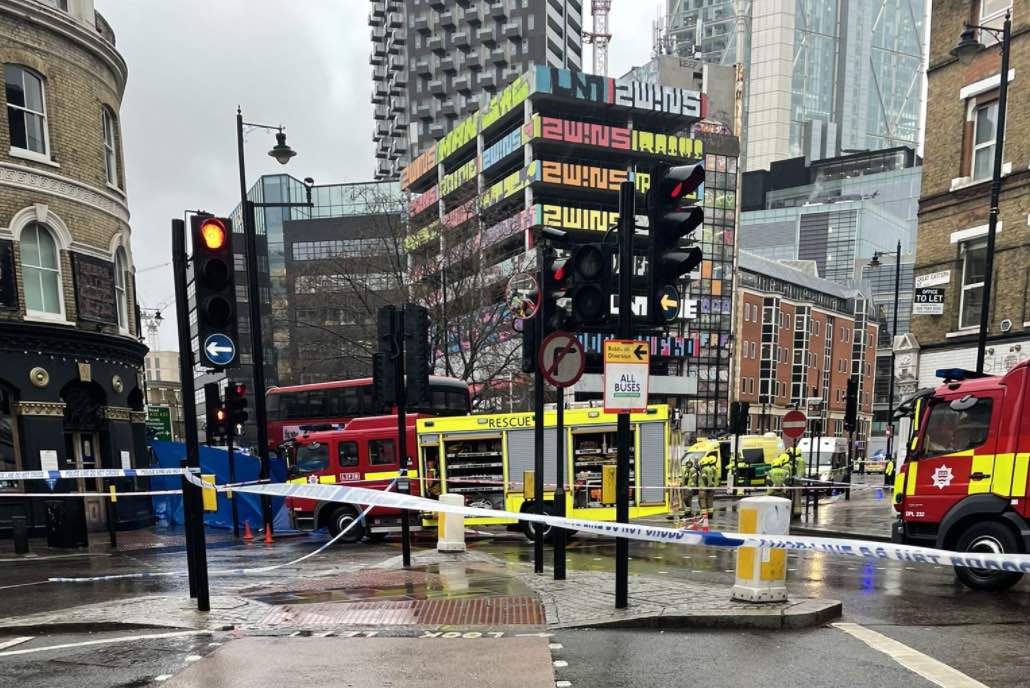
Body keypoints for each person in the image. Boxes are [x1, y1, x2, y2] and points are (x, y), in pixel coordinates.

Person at [698, 453, 719, 519]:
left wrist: (707, 486)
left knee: (702, 500)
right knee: (709, 501)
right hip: (710, 488)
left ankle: (704, 514)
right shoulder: (712, 468)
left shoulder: (705, 469)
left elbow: (705, 478)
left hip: (703, 488)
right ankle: (710, 514)